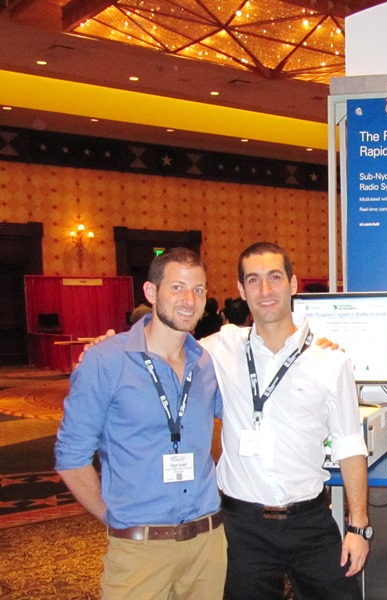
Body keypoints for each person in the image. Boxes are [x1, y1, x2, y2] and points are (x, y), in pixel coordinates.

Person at [199, 241, 370, 600]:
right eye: (254, 280)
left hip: (310, 522)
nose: (265, 290)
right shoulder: (220, 347)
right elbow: (164, 350)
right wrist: (109, 345)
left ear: (292, 284)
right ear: (241, 289)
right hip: (242, 528)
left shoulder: (330, 360)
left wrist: (358, 527)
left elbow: (350, 445)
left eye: (275, 277)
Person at [55, 247, 226, 599]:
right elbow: (71, 457)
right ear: (151, 292)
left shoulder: (206, 363)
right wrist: (113, 518)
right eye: (177, 287)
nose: (189, 300)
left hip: (208, 546)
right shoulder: (106, 360)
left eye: (198, 290)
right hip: (139, 550)